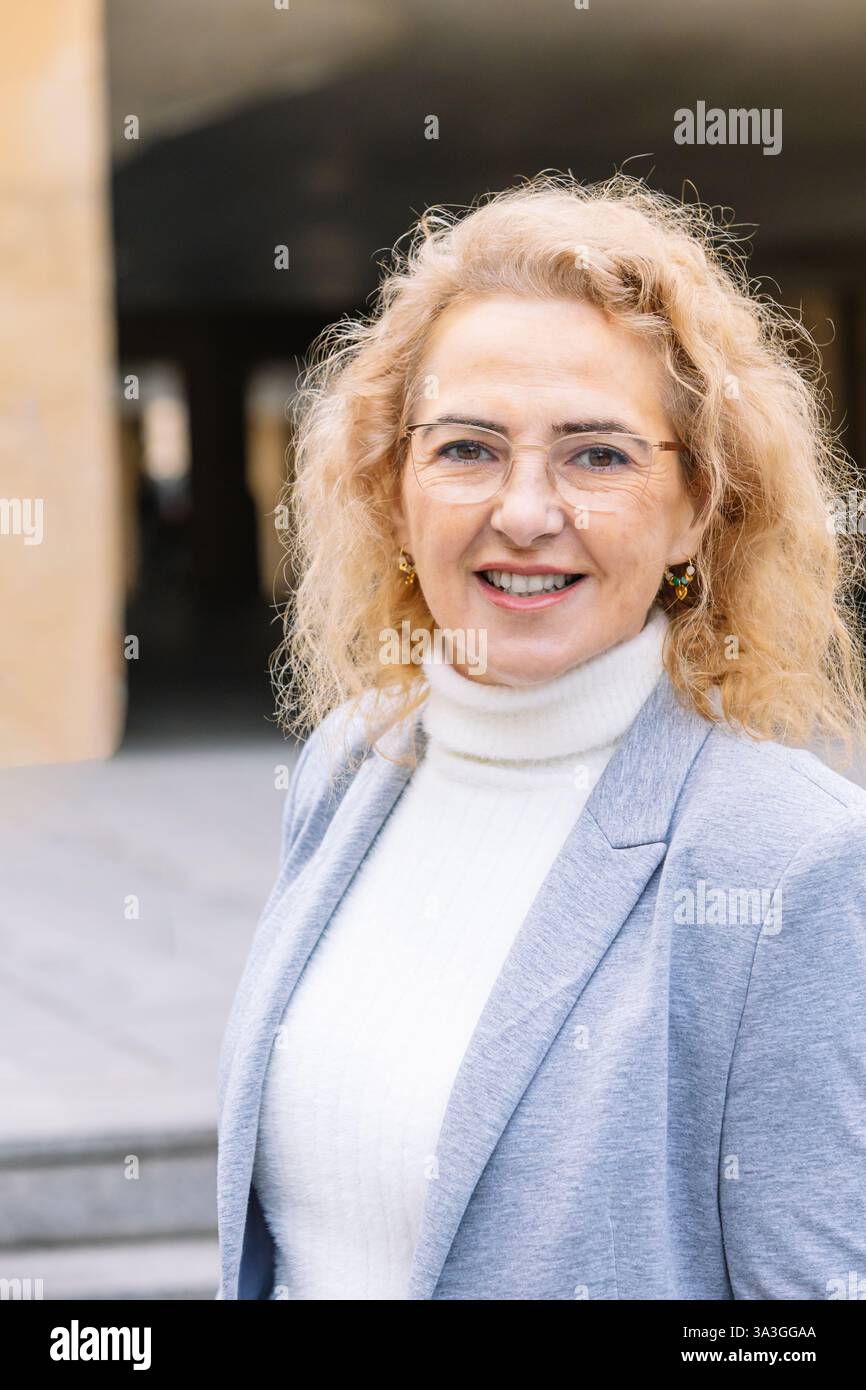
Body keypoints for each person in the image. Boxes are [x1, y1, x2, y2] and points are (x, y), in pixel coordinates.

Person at [216, 172, 866, 1300]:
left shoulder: (787, 860)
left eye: (596, 454)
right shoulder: (347, 769)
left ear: (695, 503)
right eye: (467, 448)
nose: (522, 510)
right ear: (392, 484)